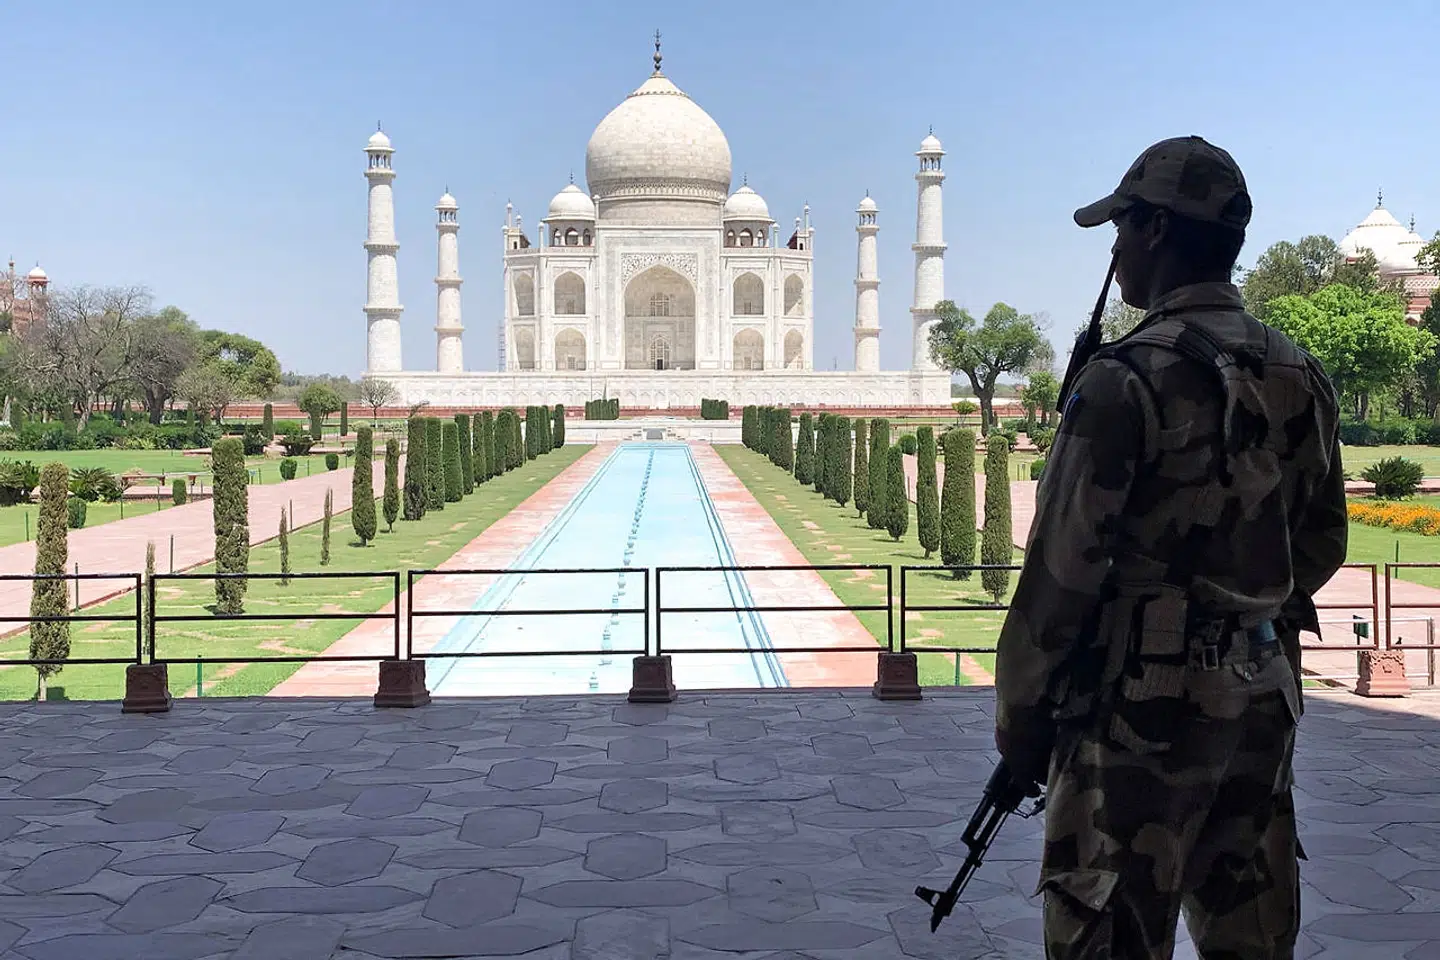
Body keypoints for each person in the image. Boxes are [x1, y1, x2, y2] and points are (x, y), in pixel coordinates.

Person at [992, 136, 1348, 958]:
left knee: (1109, 932)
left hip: (1134, 720)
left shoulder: (1126, 379)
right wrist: (1240, 603)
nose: (1113, 249)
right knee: (1251, 937)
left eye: (1121, 227)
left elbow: (1060, 579)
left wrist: (1022, 727)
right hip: (1261, 702)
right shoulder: (1298, 371)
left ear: (1155, 230)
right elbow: (1323, 541)